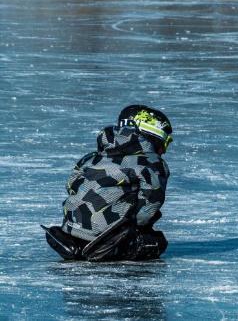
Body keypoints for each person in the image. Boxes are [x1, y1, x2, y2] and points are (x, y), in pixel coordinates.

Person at [42, 105, 173, 261]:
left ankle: (78, 242)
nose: (164, 150)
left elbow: (72, 184)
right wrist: (136, 227)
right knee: (157, 241)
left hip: (72, 230)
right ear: (154, 134)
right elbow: (151, 203)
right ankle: (103, 247)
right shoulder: (152, 162)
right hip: (108, 236)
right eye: (166, 142)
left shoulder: (92, 157)